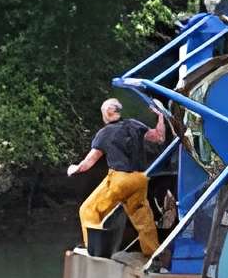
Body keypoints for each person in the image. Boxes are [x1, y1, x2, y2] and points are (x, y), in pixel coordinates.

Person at [69, 96, 169, 259]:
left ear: (108, 113)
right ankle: (153, 254)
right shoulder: (135, 125)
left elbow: (88, 163)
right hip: (139, 179)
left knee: (88, 209)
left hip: (119, 179)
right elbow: (159, 137)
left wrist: (74, 169)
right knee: (143, 219)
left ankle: (94, 249)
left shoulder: (104, 133)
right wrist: (160, 117)